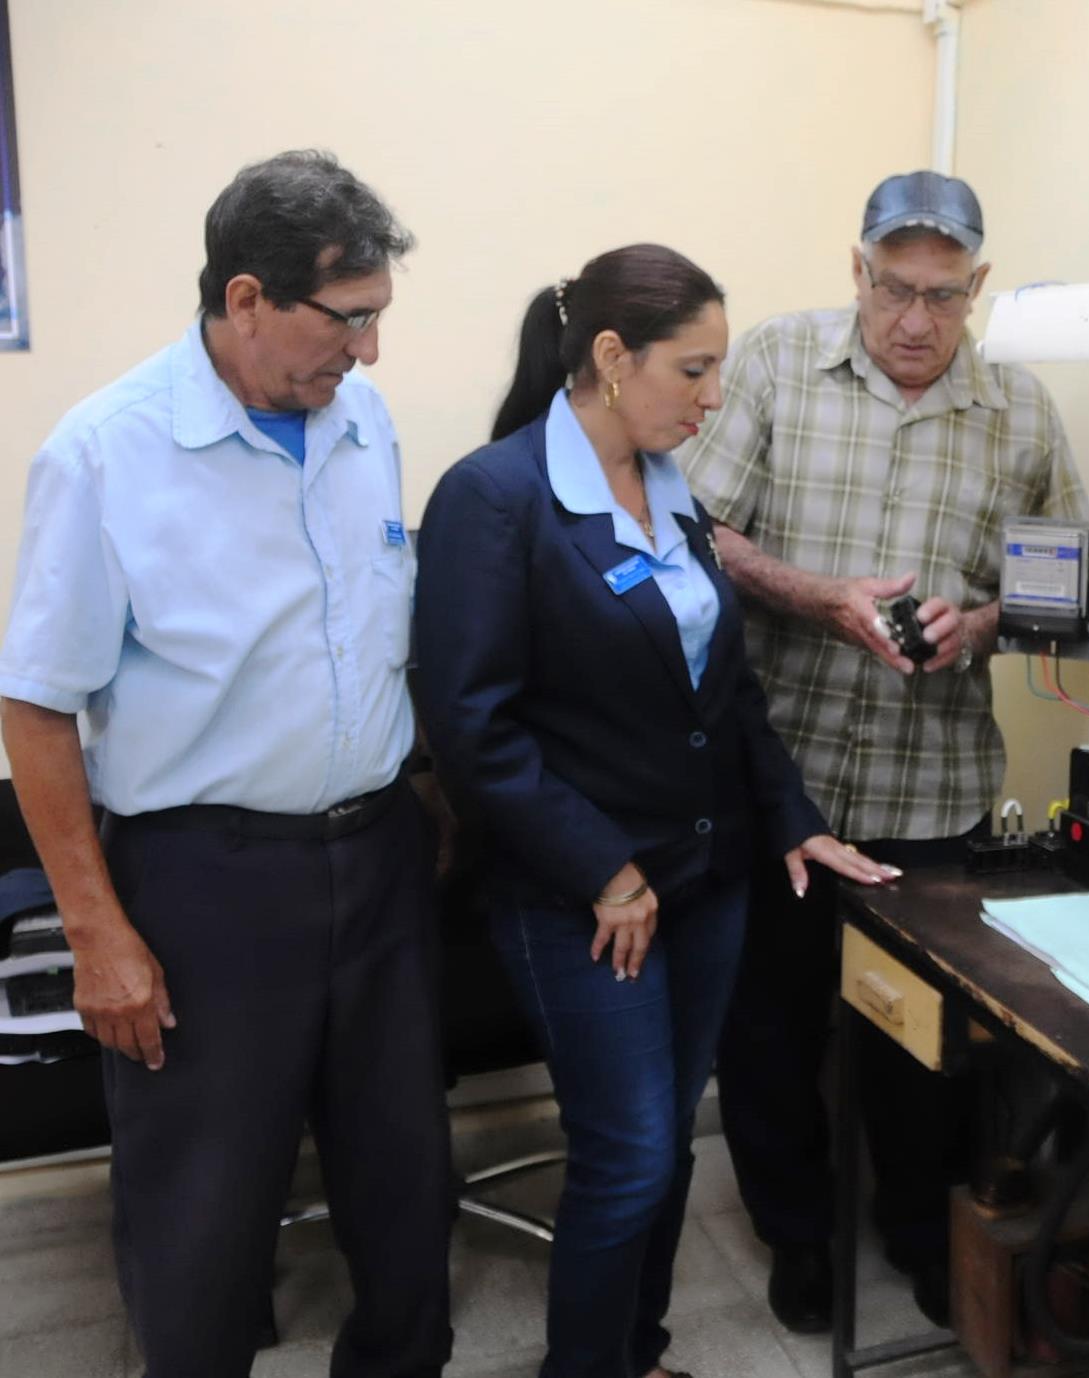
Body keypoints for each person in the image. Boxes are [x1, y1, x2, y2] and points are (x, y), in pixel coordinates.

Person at [0, 151, 451, 1378]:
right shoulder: (107, 453)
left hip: (376, 858)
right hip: (209, 885)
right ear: (245, 299)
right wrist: (98, 933)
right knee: (201, 1229)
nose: (367, 354)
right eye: (347, 320)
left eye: (377, 320)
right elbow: (36, 709)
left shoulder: (360, 419)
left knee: (408, 1198)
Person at [413, 243, 893, 1378]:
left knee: (668, 1147)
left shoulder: (671, 490)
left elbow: (722, 695)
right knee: (627, 1156)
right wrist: (603, 868)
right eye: (695, 369)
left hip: (705, 881)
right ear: (612, 357)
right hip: (583, 895)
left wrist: (790, 814)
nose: (715, 397)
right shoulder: (496, 497)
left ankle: (638, 1354)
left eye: (719, 369)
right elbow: (471, 728)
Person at [679, 170, 1089, 1329]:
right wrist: (819, 597)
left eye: (945, 297)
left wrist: (984, 623)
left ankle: (919, 1231)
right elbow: (691, 530)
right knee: (768, 1029)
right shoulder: (770, 362)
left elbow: (1069, 591)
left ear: (980, 290)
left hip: (933, 787)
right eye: (895, 290)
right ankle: (798, 1235)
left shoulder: (1020, 411)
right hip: (779, 773)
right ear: (856, 272)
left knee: (926, 1048)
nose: (916, 322)